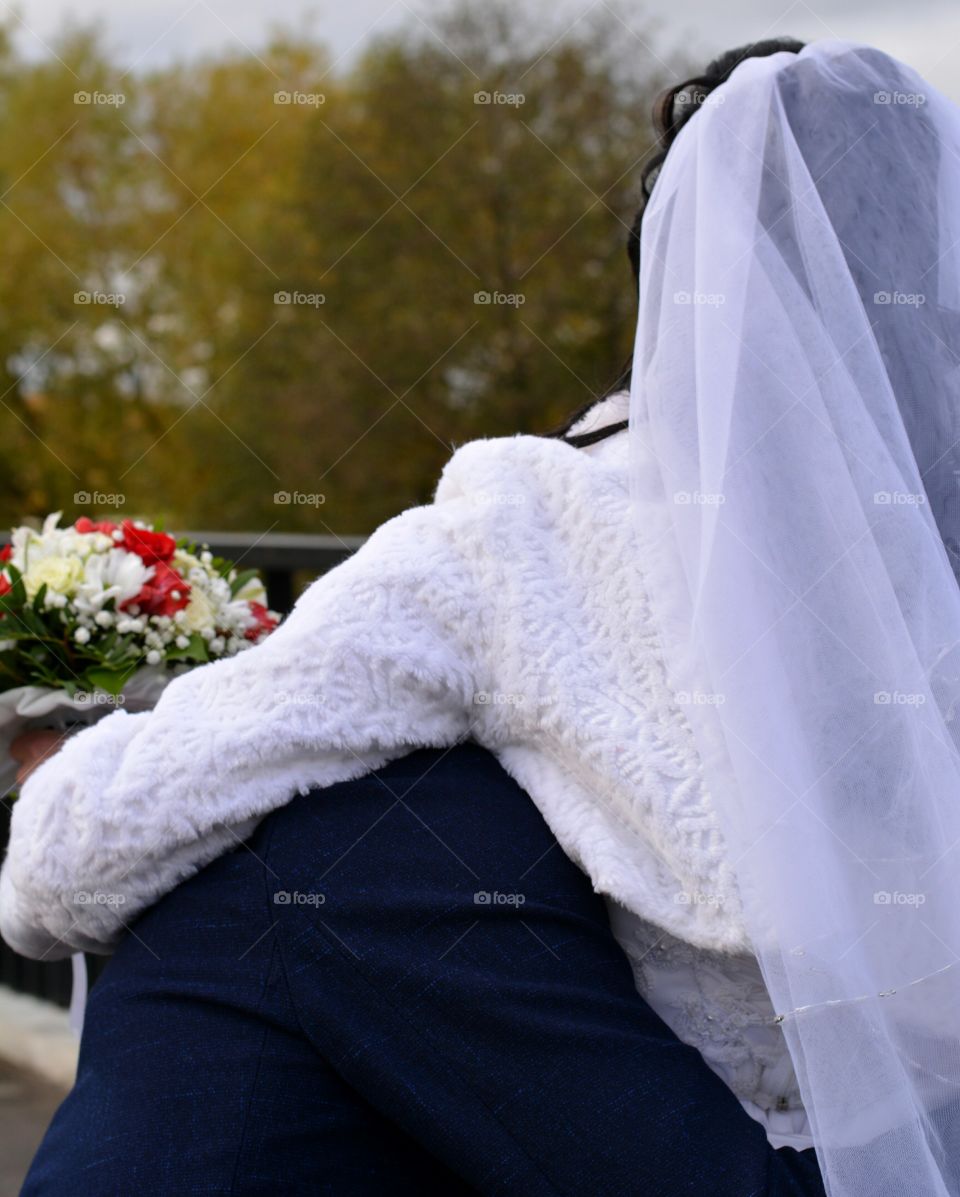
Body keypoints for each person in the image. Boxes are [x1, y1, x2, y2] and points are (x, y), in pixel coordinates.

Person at [5, 35, 960, 1197]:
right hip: (898, 1151)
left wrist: (67, 770)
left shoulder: (534, 525)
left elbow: (74, 857)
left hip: (665, 1145)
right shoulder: (924, 562)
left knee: (317, 862)